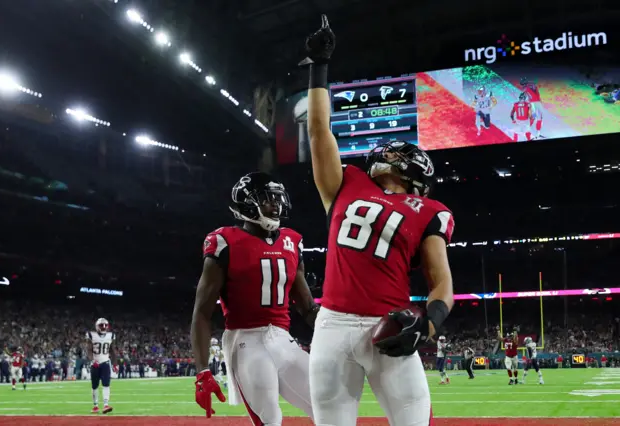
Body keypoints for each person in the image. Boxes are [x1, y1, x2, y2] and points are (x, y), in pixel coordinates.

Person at [302, 15, 455, 426]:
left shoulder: (429, 209)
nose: (382, 154)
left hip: (389, 324)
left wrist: (428, 324)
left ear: (410, 170)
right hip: (332, 323)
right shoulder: (346, 182)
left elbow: (441, 281)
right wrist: (319, 66)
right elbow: (319, 131)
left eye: (392, 153)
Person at [191, 172, 317, 424]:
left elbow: (308, 308)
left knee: (328, 404)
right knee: (269, 417)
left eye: (278, 200)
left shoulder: (292, 241)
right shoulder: (225, 242)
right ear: (247, 203)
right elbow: (202, 313)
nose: (276, 206)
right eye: (269, 199)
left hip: (283, 339)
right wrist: (202, 370)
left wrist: (339, 338)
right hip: (245, 341)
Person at [86, 318, 115, 414]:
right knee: (95, 386)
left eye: (105, 325)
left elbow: (112, 350)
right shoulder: (91, 335)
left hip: (105, 362)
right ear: (97, 326)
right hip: (95, 364)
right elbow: (89, 350)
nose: (104, 327)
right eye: (102, 325)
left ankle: (106, 405)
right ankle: (95, 406)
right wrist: (92, 360)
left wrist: (115, 363)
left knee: (106, 384)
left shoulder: (111, 335)